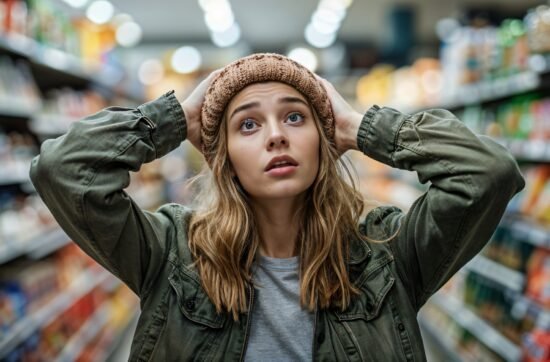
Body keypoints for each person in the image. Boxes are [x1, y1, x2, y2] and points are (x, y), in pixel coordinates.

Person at [29, 53, 525, 361]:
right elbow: (63, 171)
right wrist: (177, 118)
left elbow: (487, 175)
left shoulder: (387, 255)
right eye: (247, 124)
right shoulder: (171, 254)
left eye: (295, 116)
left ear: (322, 138)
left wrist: (357, 126)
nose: (276, 136)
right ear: (223, 155)